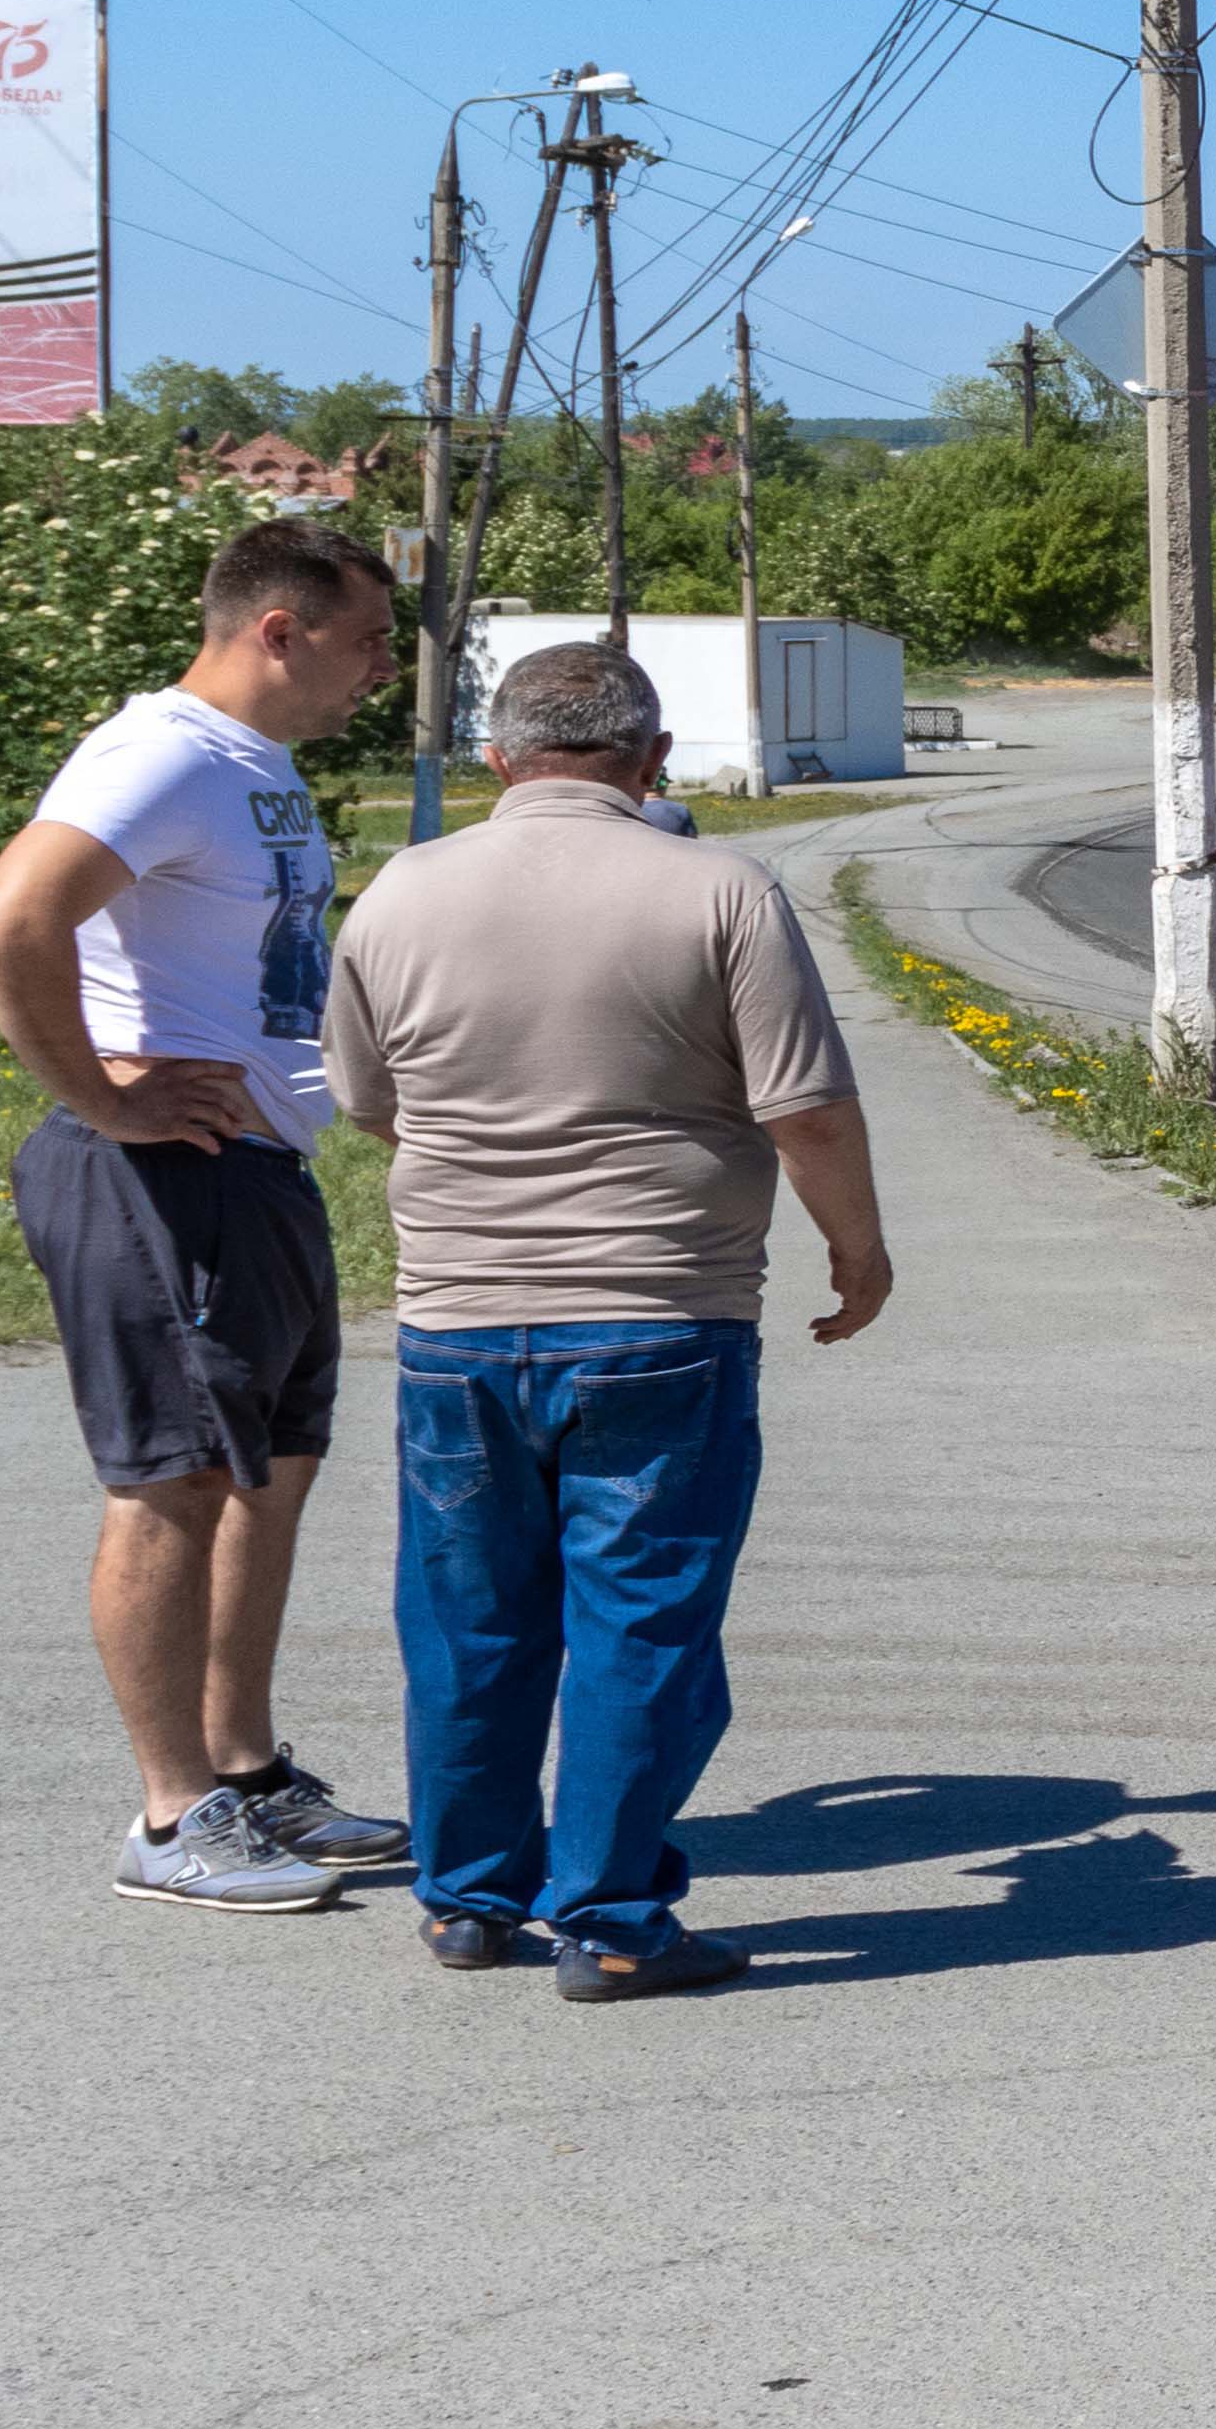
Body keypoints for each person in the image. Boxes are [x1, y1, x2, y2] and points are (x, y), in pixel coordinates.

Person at [322, 634, 891, 1998]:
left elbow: (364, 1101)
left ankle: (468, 1902)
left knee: (469, 1622)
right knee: (640, 1622)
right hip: (659, 1314)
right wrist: (858, 1253)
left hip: (458, 1324)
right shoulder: (720, 890)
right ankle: (616, 1923)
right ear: (653, 762)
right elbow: (803, 1106)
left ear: (498, 760)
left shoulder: (400, 894)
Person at [0, 516, 416, 1914]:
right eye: (371, 640)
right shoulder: (160, 749)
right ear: (279, 629)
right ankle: (171, 1818)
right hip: (164, 1176)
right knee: (173, 1480)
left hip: (251, 1170)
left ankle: (243, 1770)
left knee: (264, 1471)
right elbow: (5, 917)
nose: (385, 672)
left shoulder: (254, 766)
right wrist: (104, 1097)